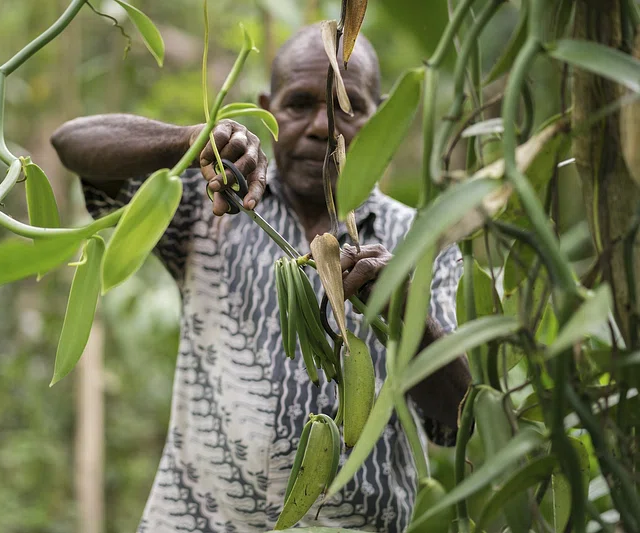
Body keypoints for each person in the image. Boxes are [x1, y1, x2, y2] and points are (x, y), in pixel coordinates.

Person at [51, 23, 471, 533]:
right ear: (265, 108)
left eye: (347, 107)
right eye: (299, 104)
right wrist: (191, 140)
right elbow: (73, 143)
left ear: (379, 118)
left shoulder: (422, 241)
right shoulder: (209, 206)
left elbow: (458, 415)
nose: (322, 126)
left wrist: (405, 313)